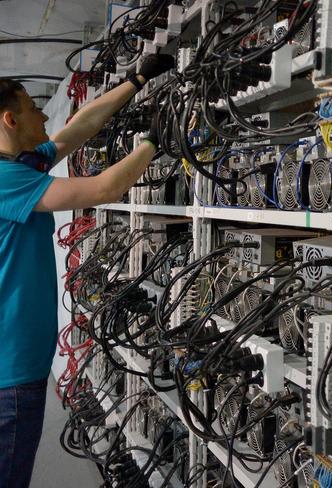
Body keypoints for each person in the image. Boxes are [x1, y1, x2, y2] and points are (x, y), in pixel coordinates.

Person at [0, 53, 174, 487]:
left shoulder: (19, 163)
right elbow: (105, 187)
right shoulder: (6, 179)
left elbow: (78, 129)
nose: (43, 114)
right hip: (10, 374)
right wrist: (154, 142)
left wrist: (136, 80)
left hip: (17, 364)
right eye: (33, 108)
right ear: (9, 120)